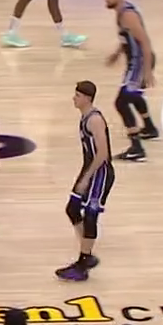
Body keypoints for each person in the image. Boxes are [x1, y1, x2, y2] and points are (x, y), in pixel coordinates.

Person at [55, 81, 117, 282]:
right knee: (72, 208)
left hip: (100, 173)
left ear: (87, 98)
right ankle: (87, 252)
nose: (74, 98)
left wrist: (87, 177)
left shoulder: (95, 120)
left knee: (90, 215)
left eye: (78, 95)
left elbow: (103, 153)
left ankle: (83, 263)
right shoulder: (85, 117)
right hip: (90, 169)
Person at [102, 0, 157, 162]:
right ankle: (150, 128)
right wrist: (117, 53)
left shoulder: (127, 15)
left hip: (139, 63)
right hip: (135, 62)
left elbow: (145, 42)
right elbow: (127, 37)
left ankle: (137, 148)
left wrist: (147, 71)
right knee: (133, 96)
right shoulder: (121, 12)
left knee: (121, 102)